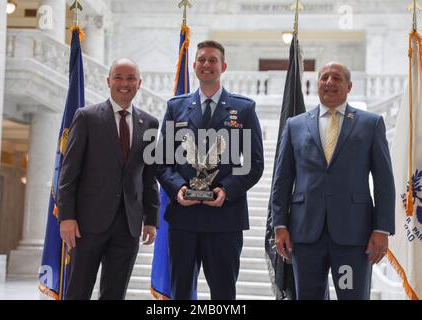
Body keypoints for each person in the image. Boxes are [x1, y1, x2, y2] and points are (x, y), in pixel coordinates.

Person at [271, 62, 395, 300]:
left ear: (349, 86)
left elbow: (384, 181)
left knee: (352, 296)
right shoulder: (295, 125)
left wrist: (382, 229)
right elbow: (282, 180)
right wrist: (280, 225)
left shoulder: (371, 124)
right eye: (324, 77)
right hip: (305, 234)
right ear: (316, 85)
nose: (329, 82)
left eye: (336, 78)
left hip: (353, 235)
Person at [156, 40, 264, 300]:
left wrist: (227, 190)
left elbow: (254, 163)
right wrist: (178, 188)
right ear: (194, 65)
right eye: (202, 59)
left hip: (225, 218)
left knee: (224, 293)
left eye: (212, 60)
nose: (207, 64)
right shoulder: (176, 107)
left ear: (223, 66)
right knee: (180, 292)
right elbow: (161, 162)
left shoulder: (244, 109)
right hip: (184, 217)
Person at [57, 58, 159, 300]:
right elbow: (68, 173)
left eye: (131, 78)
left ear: (139, 83)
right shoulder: (86, 117)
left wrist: (151, 219)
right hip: (87, 225)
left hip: (129, 226)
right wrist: (67, 217)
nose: (124, 83)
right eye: (119, 77)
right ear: (108, 81)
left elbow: (149, 176)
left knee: (115, 294)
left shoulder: (150, 124)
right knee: (78, 291)